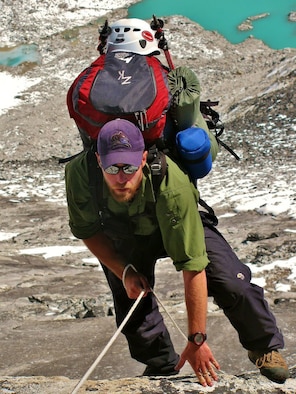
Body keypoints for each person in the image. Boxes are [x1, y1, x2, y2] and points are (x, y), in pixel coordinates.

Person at [65, 118, 289, 386]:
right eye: (112, 167)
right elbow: (87, 229)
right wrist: (124, 271)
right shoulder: (80, 173)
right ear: (99, 160)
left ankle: (264, 347)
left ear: (144, 158)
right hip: (123, 232)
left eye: (130, 167)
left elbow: (192, 265)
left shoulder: (173, 186)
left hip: (174, 218)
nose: (121, 177)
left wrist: (197, 340)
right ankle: (160, 362)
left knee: (231, 281)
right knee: (131, 300)